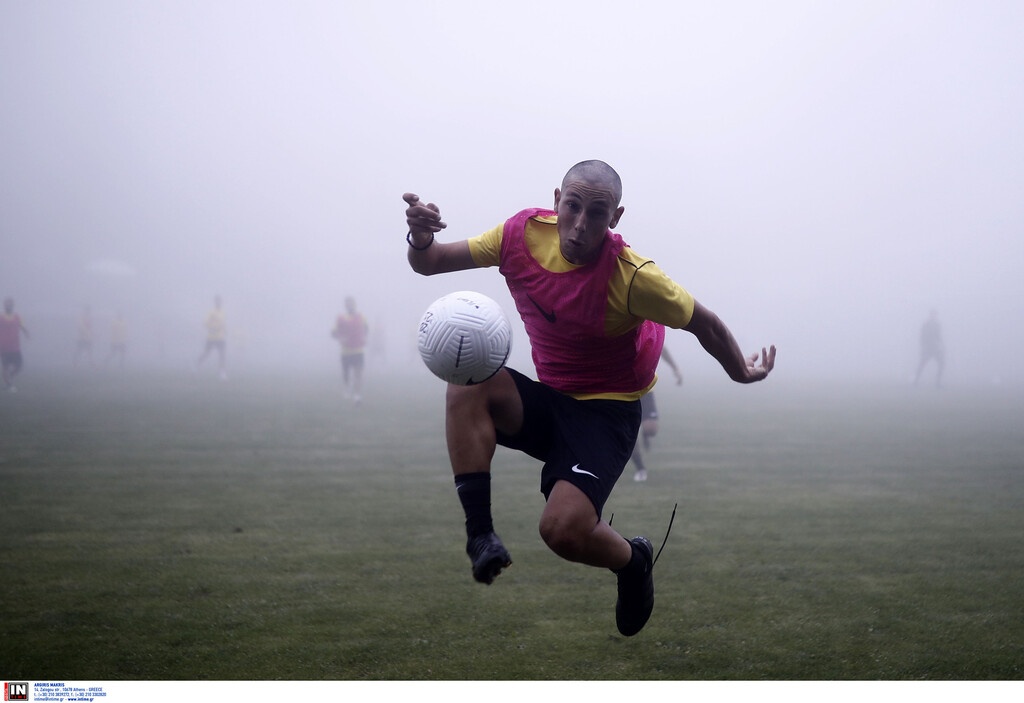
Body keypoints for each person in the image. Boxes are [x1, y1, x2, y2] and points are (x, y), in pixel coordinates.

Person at [403, 160, 776, 637]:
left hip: (607, 413)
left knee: (561, 532)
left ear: (615, 218)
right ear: (556, 200)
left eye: (596, 214)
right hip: (551, 400)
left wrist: (742, 372)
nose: (580, 224)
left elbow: (705, 323)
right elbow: (430, 262)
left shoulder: (635, 276)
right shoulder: (519, 235)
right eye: (572, 207)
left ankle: (633, 561)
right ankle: (480, 536)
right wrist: (419, 236)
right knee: (466, 378)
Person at [630, 346, 683, 483]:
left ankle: (646, 435)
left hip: (645, 389)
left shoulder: (646, 328)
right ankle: (641, 469)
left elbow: (662, 348)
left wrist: (675, 368)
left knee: (651, 429)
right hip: (622, 391)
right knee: (630, 438)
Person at [331, 296, 369, 404]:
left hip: (358, 350)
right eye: (347, 304)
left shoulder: (361, 316)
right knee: (346, 373)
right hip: (346, 351)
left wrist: (364, 337)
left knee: (358, 373)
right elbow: (333, 332)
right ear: (345, 305)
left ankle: (357, 396)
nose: (350, 305)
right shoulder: (341, 318)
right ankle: (347, 387)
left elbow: (366, 328)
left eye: (351, 303)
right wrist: (340, 337)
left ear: (354, 304)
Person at [1, 297, 30, 392]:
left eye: (10, 305)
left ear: (12, 306)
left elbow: (22, 327)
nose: (8, 306)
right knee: (5, 366)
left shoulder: (17, 317)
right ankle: (9, 385)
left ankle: (10, 377)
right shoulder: (1, 317)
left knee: (19, 365)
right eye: (7, 305)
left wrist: (27, 333)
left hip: (15, 346)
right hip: (4, 346)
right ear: (4, 306)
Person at [197, 295, 227, 379]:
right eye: (217, 301)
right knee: (207, 353)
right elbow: (205, 322)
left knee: (222, 355)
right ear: (215, 302)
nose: (219, 303)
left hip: (221, 337)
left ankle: (222, 372)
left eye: (220, 301)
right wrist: (212, 328)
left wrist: (225, 330)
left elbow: (223, 323)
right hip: (211, 337)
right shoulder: (211, 312)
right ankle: (198, 364)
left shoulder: (223, 312)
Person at [914, 310, 944, 388]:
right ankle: (915, 381)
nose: (934, 316)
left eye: (935, 314)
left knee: (941, 364)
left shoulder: (937, 325)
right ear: (930, 315)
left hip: (935, 348)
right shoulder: (926, 324)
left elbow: (938, 336)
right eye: (932, 314)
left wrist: (941, 345)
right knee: (922, 364)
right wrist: (923, 347)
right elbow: (922, 336)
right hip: (927, 348)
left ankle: (937, 382)